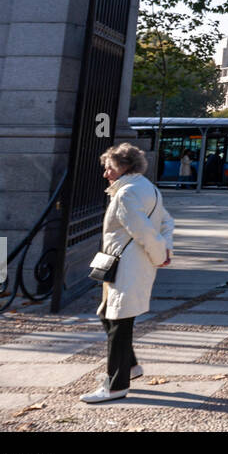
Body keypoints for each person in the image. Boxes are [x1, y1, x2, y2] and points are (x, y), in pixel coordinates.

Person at [82, 143, 174, 404]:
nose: (105, 174)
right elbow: (167, 221)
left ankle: (115, 385)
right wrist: (165, 249)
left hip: (127, 264)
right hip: (132, 262)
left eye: (109, 168)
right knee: (110, 314)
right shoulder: (148, 187)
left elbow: (142, 231)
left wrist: (160, 255)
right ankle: (131, 366)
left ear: (123, 167)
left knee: (119, 321)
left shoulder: (125, 194)